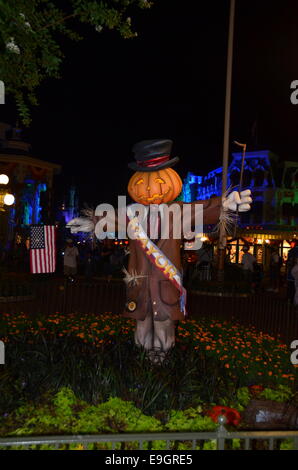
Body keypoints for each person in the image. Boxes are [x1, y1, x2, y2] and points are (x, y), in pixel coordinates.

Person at [68, 139, 252, 362]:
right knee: (142, 325)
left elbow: (204, 208)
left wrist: (226, 204)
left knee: (164, 326)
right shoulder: (131, 214)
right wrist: (88, 222)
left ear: (171, 180)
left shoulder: (178, 211)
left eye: (157, 180)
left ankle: (162, 369)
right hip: (140, 283)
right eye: (141, 180)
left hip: (166, 284)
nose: (149, 188)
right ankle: (143, 369)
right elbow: (109, 219)